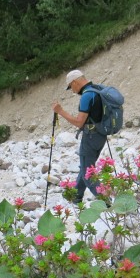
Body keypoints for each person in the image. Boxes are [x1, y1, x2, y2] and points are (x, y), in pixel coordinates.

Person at [52, 69, 106, 205]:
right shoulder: (97, 90)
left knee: (88, 172)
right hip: (101, 135)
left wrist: (60, 111)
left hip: (91, 136)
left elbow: (79, 122)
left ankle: (107, 203)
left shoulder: (87, 96)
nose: (72, 91)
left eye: (71, 87)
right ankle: (76, 196)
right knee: (86, 166)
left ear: (75, 82)